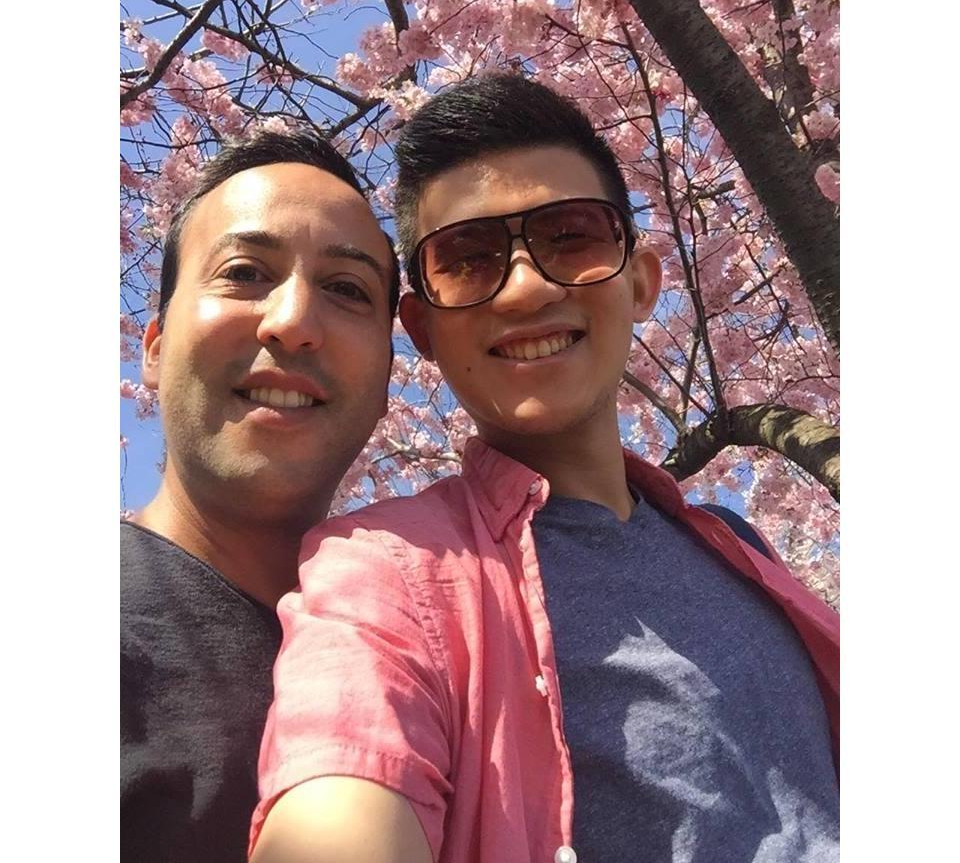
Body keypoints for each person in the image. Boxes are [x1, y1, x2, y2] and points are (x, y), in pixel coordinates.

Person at [250, 75, 840, 863]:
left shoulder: (739, 546)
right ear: (421, 328)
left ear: (641, 281)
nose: (527, 288)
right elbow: (342, 782)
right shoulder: (388, 571)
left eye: (572, 237)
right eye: (467, 259)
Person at [120, 129, 400, 863]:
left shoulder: (427, 666)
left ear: (386, 382)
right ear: (154, 347)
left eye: (347, 289)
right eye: (244, 272)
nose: (294, 322)